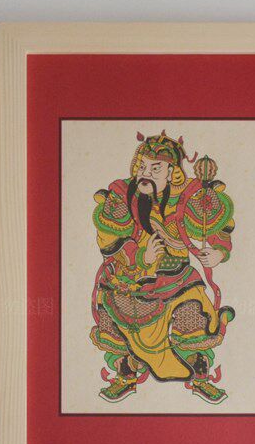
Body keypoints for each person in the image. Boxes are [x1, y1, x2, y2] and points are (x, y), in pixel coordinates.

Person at [90, 132, 235, 404]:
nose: (145, 173)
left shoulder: (189, 195)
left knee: (193, 315)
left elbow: (217, 221)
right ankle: (125, 374)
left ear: (172, 172)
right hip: (130, 279)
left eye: (155, 168)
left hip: (177, 278)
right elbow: (109, 239)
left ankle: (200, 375)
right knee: (114, 319)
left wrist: (219, 251)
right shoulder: (122, 195)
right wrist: (140, 257)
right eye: (142, 166)